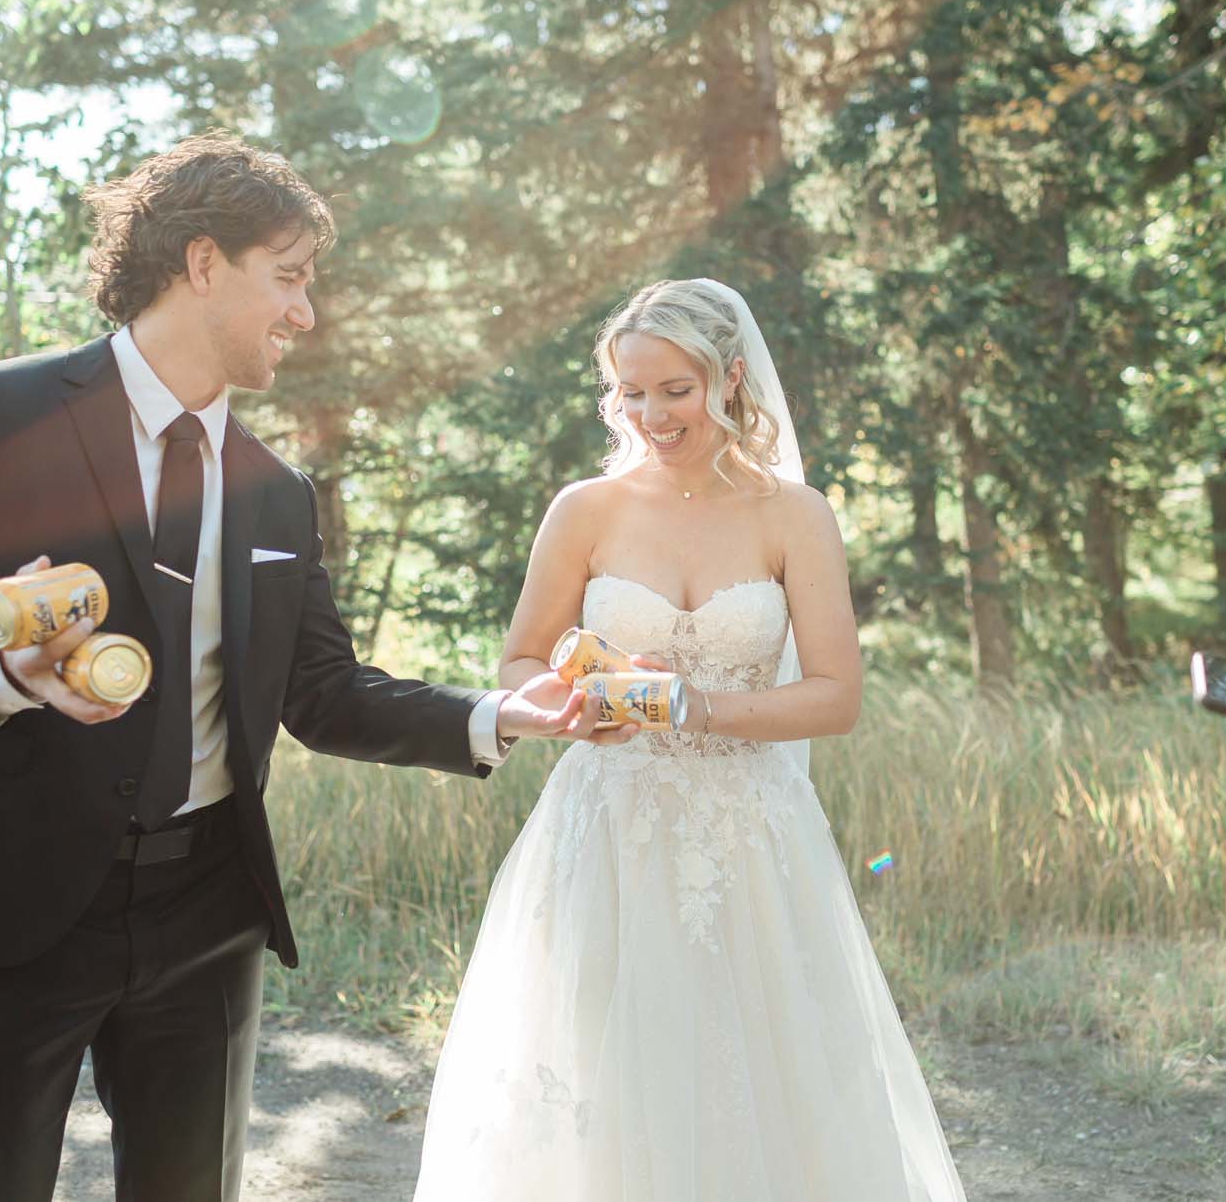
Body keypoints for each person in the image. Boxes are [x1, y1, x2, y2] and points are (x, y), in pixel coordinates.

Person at [0, 130, 603, 1202]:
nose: (304, 312)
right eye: (287, 278)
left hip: (206, 911)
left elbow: (321, 694)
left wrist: (498, 714)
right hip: (7, 901)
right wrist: (1, 669)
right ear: (200, 263)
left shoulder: (277, 490)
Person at [410, 279, 966, 1201]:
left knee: (758, 1083)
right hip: (607, 831)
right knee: (604, 1075)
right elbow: (517, 662)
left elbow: (835, 696)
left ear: (730, 377)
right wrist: (570, 701)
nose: (651, 413)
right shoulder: (584, 509)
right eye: (632, 390)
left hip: (750, 838)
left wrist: (693, 705)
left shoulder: (795, 513)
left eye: (675, 388)